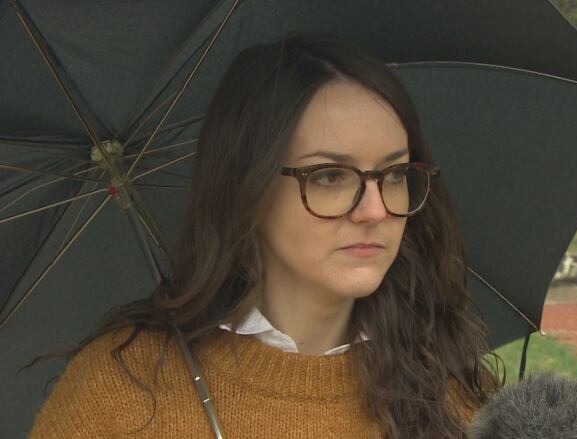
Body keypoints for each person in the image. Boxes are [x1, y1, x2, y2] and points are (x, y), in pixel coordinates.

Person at [28, 32, 504, 438]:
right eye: (330, 176)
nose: (375, 209)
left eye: (395, 173)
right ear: (248, 188)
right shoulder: (120, 394)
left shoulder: (456, 398)